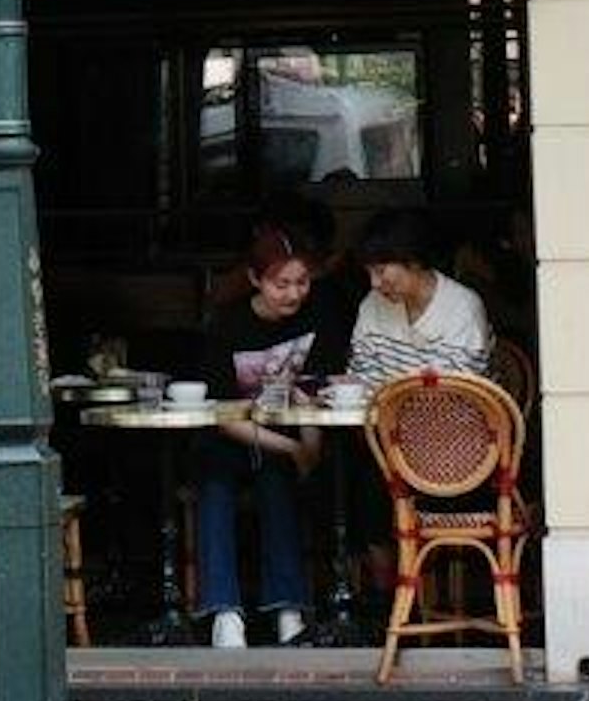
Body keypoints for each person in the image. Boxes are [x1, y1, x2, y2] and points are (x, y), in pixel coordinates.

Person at [197, 227, 343, 648]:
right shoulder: (228, 326)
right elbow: (222, 416)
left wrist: (309, 444)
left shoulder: (319, 320)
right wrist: (293, 448)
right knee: (216, 485)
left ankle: (289, 610)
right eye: (282, 284)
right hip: (235, 437)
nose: (293, 294)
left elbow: (317, 394)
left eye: (302, 282)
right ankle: (225, 613)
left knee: (277, 484)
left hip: (291, 435)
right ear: (255, 279)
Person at [344, 211, 494, 386]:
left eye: (380, 271)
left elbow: (457, 392)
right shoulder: (372, 304)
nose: (374, 283)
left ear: (413, 260)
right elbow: (361, 379)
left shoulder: (462, 307)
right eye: (368, 272)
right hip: (386, 411)